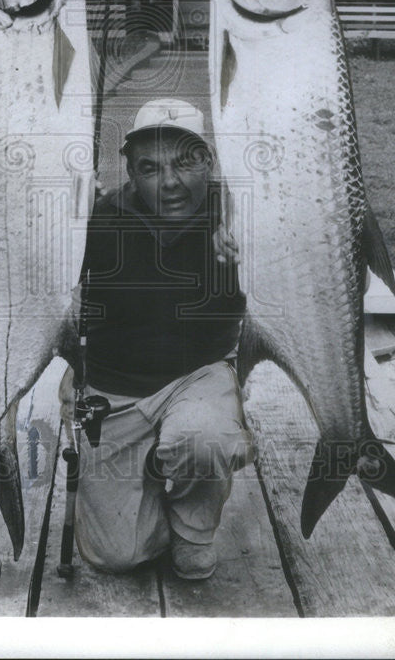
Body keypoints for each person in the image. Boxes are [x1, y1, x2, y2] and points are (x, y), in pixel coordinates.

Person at [60, 98, 253, 580]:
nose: (169, 182)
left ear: (210, 160)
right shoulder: (98, 218)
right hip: (114, 388)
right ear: (129, 171)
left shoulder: (245, 213)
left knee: (202, 438)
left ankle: (193, 529)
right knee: (113, 557)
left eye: (186, 162)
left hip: (198, 375)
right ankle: (152, 468)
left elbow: (301, 283)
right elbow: (48, 291)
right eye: (150, 167)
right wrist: (68, 228)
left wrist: (249, 254)